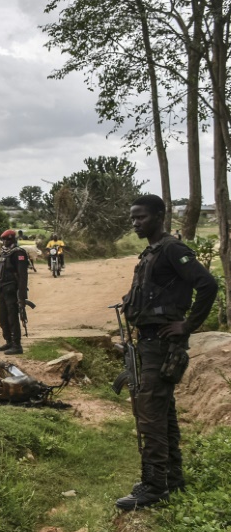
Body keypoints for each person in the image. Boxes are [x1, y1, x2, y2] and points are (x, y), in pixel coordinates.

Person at [115, 194, 217, 511]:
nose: (135, 223)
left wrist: (187, 326)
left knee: (149, 414)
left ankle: (154, 486)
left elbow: (208, 285)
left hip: (162, 344)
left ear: (160, 216)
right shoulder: (152, 252)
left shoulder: (172, 249)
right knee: (163, 412)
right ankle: (171, 479)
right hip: (149, 341)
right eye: (132, 217)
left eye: (141, 217)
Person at [0, 229, 29, 355]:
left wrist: (22, 296)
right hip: (3, 290)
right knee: (2, 318)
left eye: (8, 239)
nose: (5, 241)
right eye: (3, 239)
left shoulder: (18, 253)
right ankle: (8, 341)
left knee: (13, 318)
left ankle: (17, 345)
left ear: (13, 239)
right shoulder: (4, 253)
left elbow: (23, 276)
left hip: (13, 291)